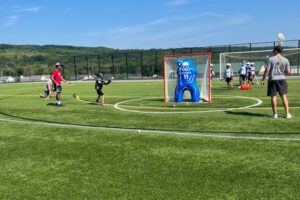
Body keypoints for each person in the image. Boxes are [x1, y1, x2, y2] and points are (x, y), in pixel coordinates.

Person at [261, 46, 292, 119]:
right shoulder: (286, 60)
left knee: (273, 96)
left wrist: (263, 79)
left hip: (272, 79)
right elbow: (288, 73)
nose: (273, 52)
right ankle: (287, 114)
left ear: (276, 51)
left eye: (273, 51)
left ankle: (275, 114)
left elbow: (267, 70)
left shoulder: (270, 59)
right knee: (283, 96)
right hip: (282, 79)